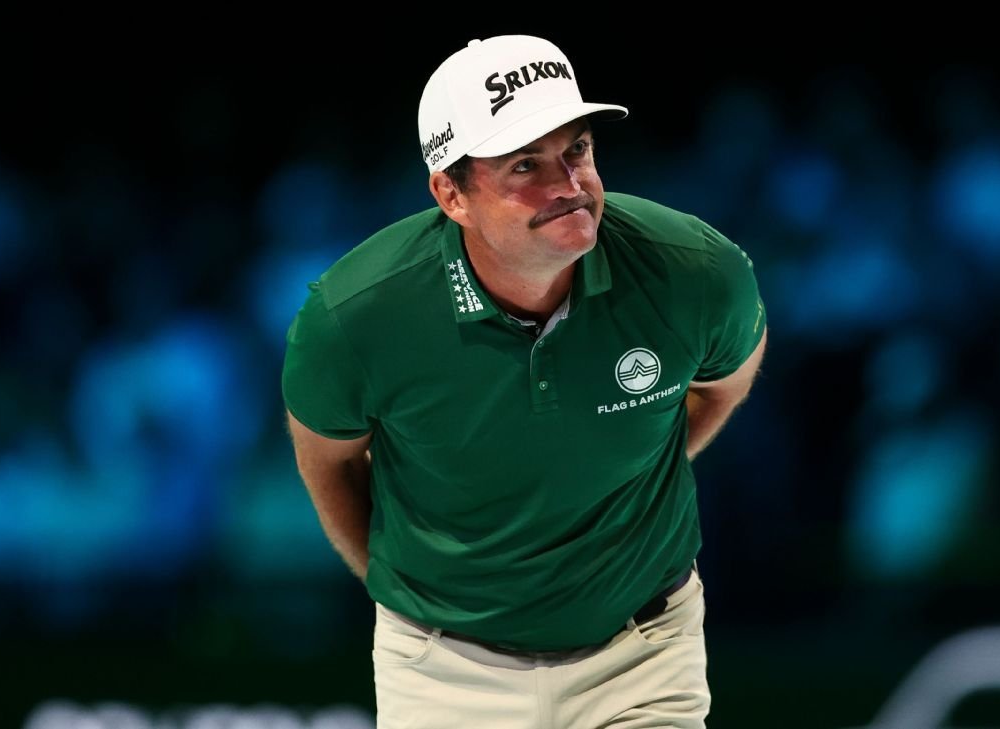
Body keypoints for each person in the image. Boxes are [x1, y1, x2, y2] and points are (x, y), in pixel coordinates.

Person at [282, 34, 767, 728]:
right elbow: (325, 459)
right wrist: (408, 587)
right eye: (524, 165)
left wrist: (622, 469)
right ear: (451, 193)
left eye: (577, 150)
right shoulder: (354, 316)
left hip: (644, 652)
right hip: (443, 670)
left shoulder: (695, 271)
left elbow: (724, 383)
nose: (569, 185)